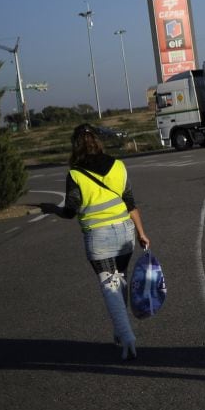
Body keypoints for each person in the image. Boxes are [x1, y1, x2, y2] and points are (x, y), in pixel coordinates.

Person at [60, 124, 150, 360]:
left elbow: (71, 210)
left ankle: (127, 336)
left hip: (98, 236)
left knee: (109, 284)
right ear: (98, 142)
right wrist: (141, 232)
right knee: (119, 280)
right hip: (125, 232)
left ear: (75, 145)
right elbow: (130, 202)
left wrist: (51, 209)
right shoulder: (118, 166)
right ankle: (120, 332)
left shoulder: (75, 174)